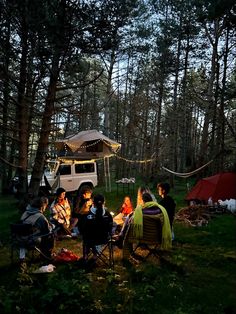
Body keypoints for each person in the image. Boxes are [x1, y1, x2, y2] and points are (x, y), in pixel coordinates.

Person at [79, 194, 113, 261]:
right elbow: (110, 227)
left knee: (87, 237)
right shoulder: (107, 214)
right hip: (104, 239)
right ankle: (95, 255)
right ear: (104, 202)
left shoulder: (87, 215)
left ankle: (86, 256)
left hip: (91, 240)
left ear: (93, 202)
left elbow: (82, 229)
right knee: (92, 236)